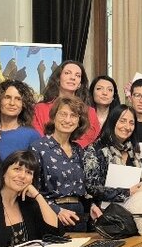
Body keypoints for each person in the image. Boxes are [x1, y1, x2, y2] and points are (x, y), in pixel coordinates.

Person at [30, 96, 98, 231]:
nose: (67, 120)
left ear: (79, 121)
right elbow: (32, 189)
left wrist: (91, 206)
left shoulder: (78, 150)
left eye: (73, 116)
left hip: (79, 217)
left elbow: (83, 189)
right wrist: (57, 210)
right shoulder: (38, 147)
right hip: (51, 215)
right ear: (53, 117)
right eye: (63, 114)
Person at [83, 105, 142, 211]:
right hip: (103, 212)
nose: (127, 127)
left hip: (133, 209)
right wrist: (127, 192)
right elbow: (90, 187)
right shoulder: (95, 149)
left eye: (131, 123)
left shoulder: (134, 151)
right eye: (122, 121)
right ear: (112, 122)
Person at [31, 61, 101, 148]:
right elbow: (38, 137)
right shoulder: (39, 109)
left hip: (78, 155)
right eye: (67, 73)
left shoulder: (90, 112)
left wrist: (68, 150)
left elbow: (86, 140)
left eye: (77, 75)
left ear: (80, 84)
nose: (72, 77)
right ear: (58, 78)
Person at [0, 79, 42, 159]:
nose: (12, 103)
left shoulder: (31, 135)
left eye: (18, 99)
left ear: (24, 104)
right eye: (7, 97)